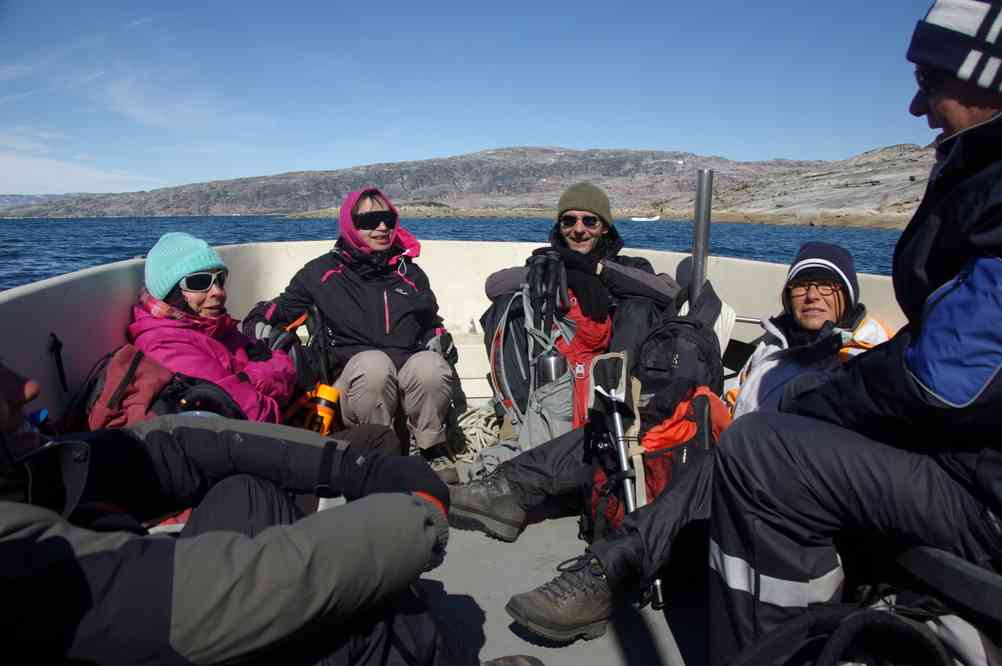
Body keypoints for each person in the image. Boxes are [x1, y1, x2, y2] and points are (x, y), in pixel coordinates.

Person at [503, 1, 1002, 660]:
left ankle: (623, 568)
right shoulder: (975, 176)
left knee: (756, 448)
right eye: (803, 286)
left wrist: (817, 399)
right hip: (955, 459)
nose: (916, 106)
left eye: (931, 81)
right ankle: (563, 525)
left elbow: (946, 378)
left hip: (978, 487)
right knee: (715, 434)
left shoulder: (868, 340)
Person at [0, 360, 541, 666]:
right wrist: (414, 521)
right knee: (339, 621)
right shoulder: (18, 556)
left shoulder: (28, 473)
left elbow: (181, 445)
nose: (25, 385)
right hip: (166, 626)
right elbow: (216, 600)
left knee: (247, 488)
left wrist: (359, 469)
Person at [246, 188, 456, 465]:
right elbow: (277, 311)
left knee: (431, 365)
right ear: (350, 225)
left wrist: (438, 337)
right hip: (352, 386)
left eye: (388, 219)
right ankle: (375, 454)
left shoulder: (411, 273)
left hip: (406, 382)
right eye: (369, 220)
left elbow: (431, 322)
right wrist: (255, 328)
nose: (382, 227)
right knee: (374, 365)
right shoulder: (321, 272)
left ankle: (430, 450)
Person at [482, 182, 681, 430]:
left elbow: (668, 292)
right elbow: (494, 286)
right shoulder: (548, 265)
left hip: (610, 372)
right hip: (553, 372)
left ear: (605, 228)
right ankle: (518, 419)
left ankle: (615, 416)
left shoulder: (631, 266)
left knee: (640, 308)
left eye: (589, 221)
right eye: (569, 221)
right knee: (505, 307)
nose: (578, 230)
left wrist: (597, 270)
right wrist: (559, 270)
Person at [129, 232, 296, 423]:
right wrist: (268, 373)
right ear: (171, 291)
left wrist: (253, 377)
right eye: (200, 282)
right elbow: (255, 416)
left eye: (220, 280)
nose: (218, 292)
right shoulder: (165, 346)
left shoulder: (214, 327)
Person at [726, 241, 888, 418]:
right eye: (801, 286)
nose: (812, 295)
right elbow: (735, 398)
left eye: (827, 285)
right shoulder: (774, 341)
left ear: (848, 295)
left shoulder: (866, 354)